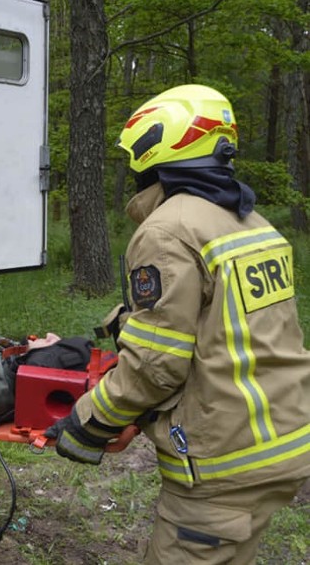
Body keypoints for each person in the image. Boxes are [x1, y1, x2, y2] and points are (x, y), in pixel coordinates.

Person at [44, 84, 310, 564]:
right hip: (280, 448)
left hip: (220, 469)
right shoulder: (253, 226)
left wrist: (88, 423)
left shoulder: (168, 230)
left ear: (156, 153)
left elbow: (155, 367)